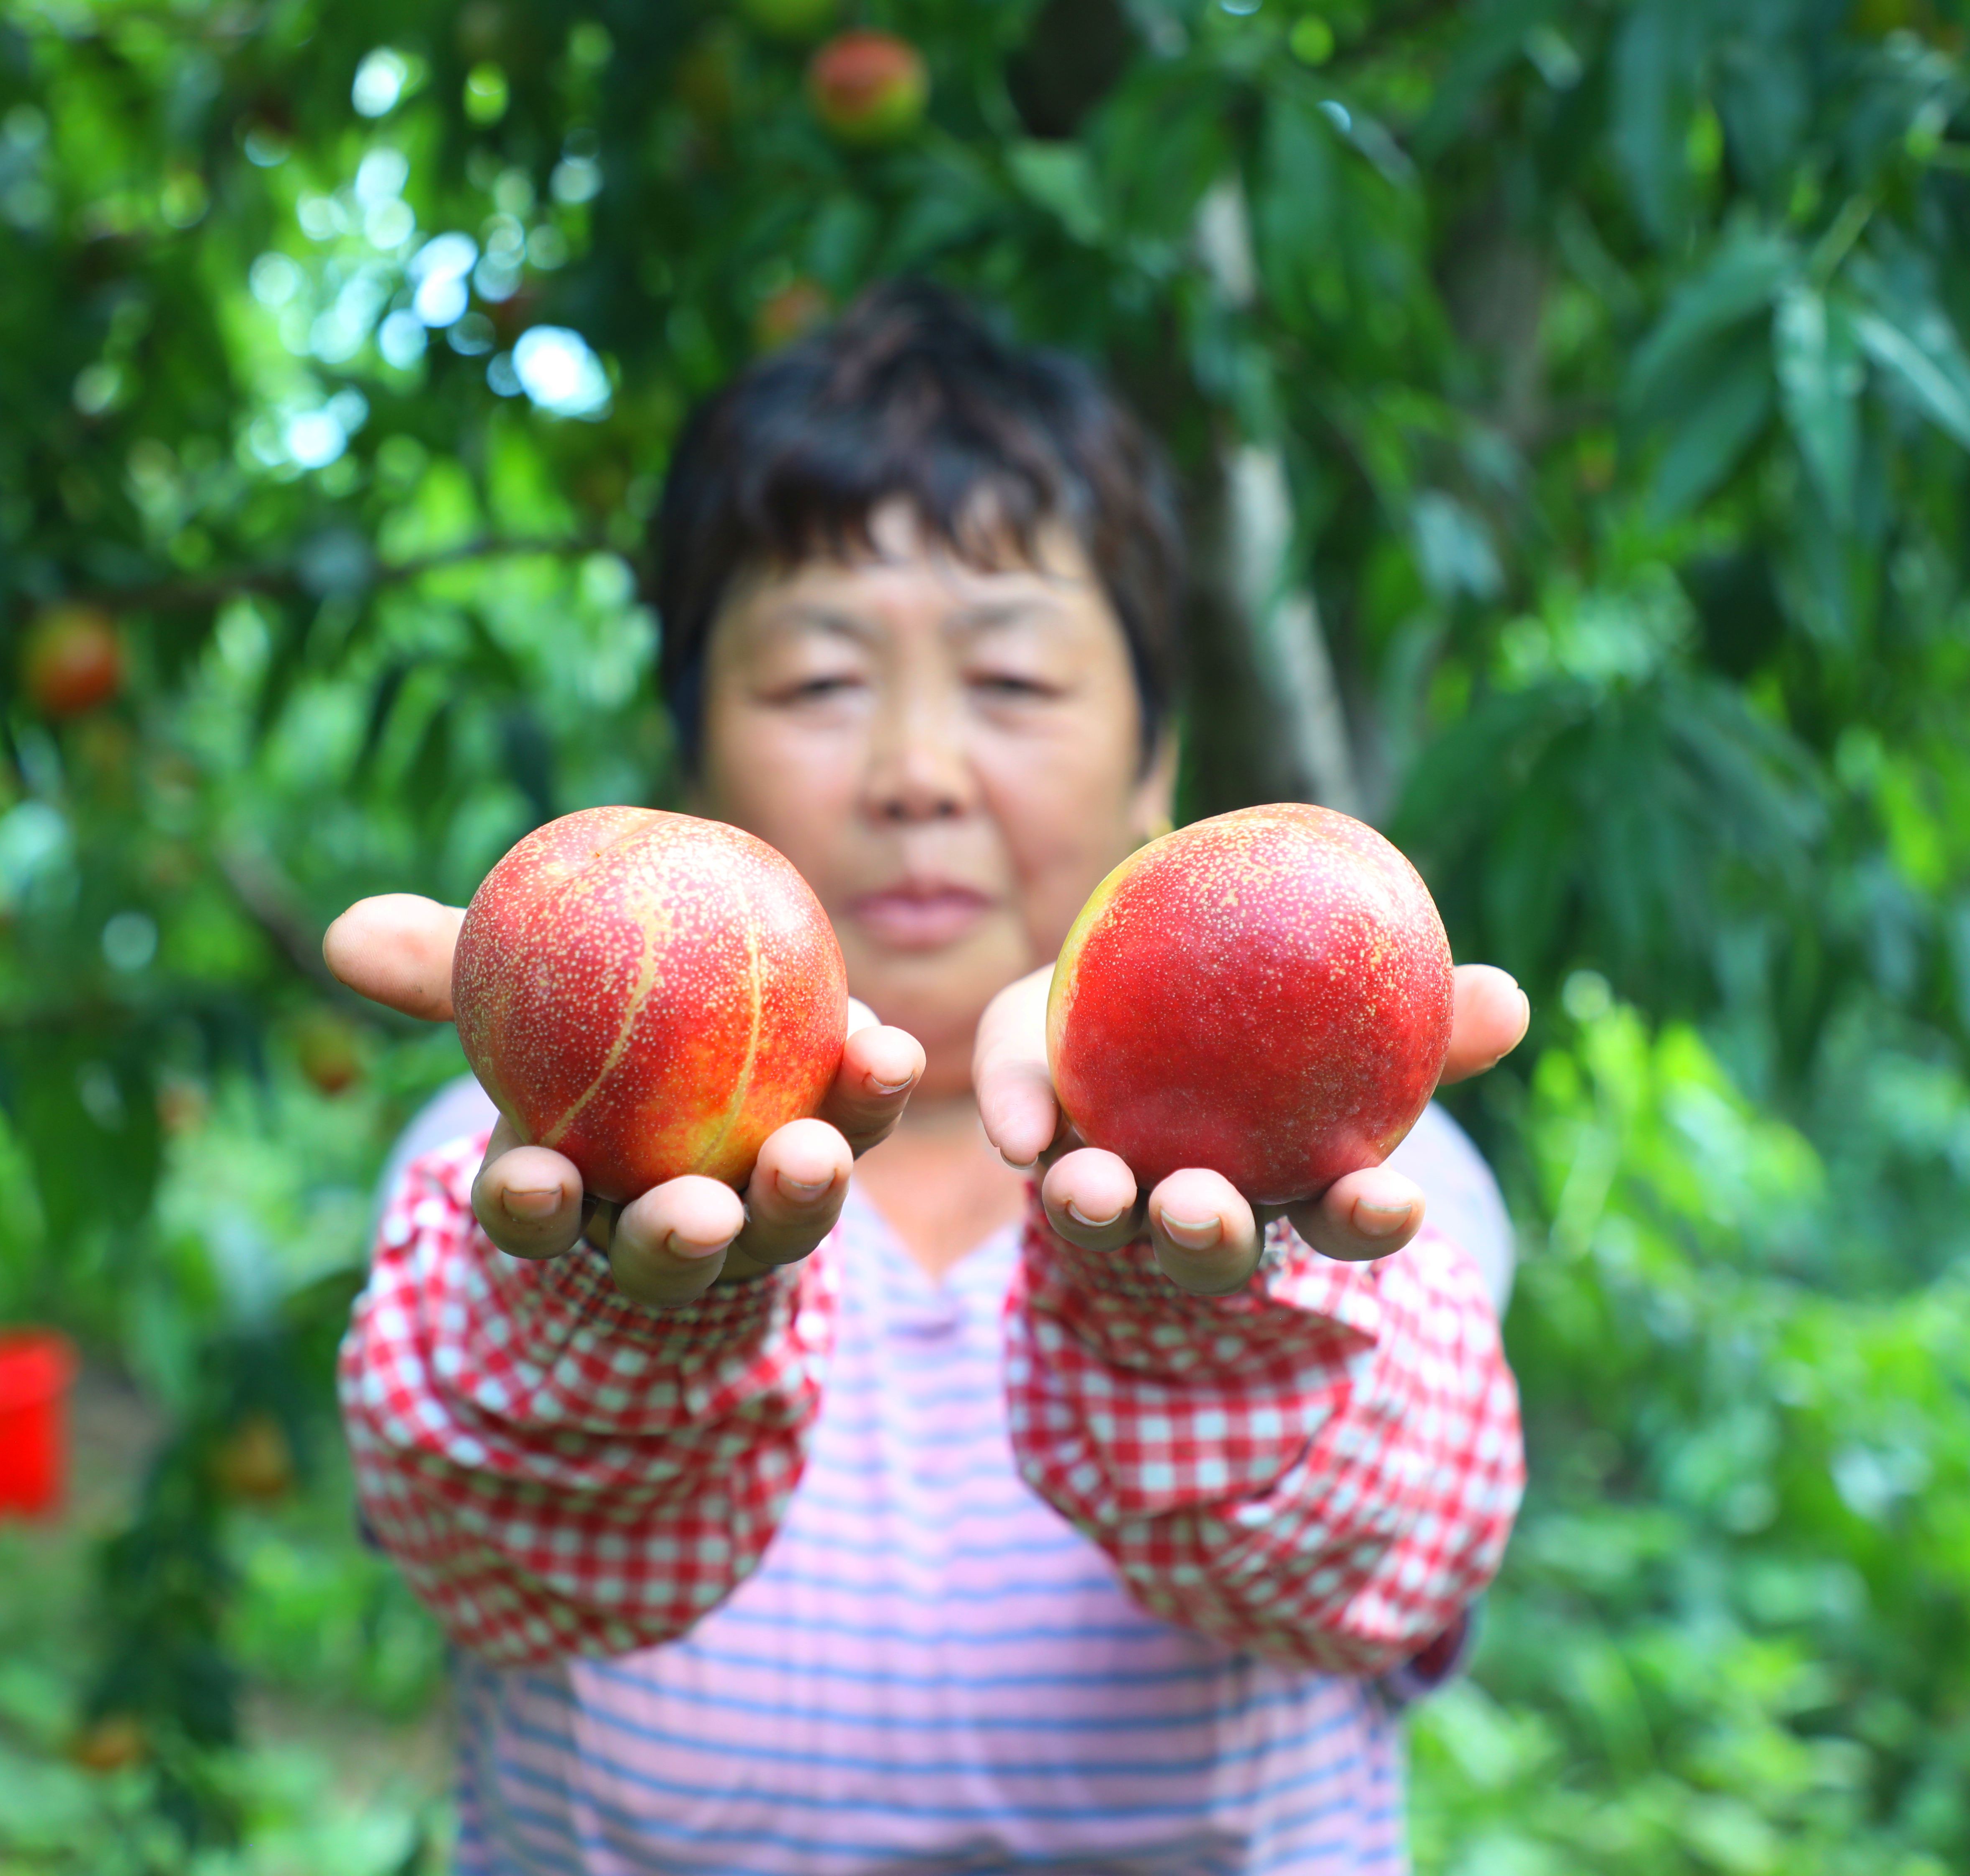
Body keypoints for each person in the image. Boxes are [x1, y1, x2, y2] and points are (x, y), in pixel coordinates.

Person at [324, 282, 1530, 1875]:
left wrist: (1202, 1306)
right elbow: (496, 1541)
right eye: (818, 683)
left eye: (1016, 684)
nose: (913, 773)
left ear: (1155, 766)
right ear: (692, 766)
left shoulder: (1360, 1176)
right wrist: (618, 1312)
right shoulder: (512, 1171)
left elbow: (1384, 1549)